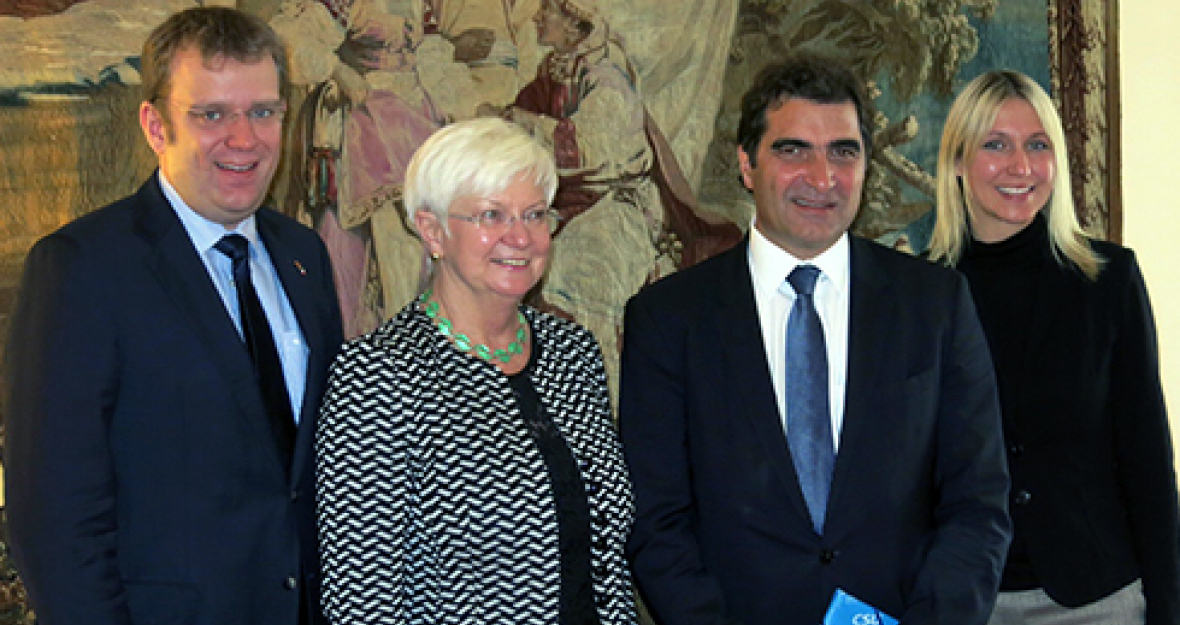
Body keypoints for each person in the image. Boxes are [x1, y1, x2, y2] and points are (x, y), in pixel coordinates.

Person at [619, 54, 1012, 625]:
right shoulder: (668, 319)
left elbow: (977, 505)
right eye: (792, 149)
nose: (822, 178)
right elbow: (657, 521)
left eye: (843, 152)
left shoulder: (936, 304)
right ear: (747, 164)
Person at [3, 7, 344, 624]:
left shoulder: (303, 256)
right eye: (211, 114)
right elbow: (54, 517)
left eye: (263, 111)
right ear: (155, 125)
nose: (244, 139)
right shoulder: (82, 268)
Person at [315, 117, 635, 625]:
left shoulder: (572, 353)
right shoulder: (378, 376)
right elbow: (362, 604)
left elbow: (606, 560)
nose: (520, 237)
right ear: (432, 230)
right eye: (491, 215)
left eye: (534, 215)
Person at [928, 69, 1179, 625]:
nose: (1020, 166)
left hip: (1097, 599)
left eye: (1037, 145)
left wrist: (1168, 607)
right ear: (956, 162)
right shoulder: (917, 296)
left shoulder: (1109, 279)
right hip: (966, 602)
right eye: (996, 144)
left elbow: (1148, 462)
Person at [488, 0, 740, 391]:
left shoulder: (605, 75)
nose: (537, 18)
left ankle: (602, 406)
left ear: (574, 24)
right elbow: (526, 108)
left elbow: (591, 149)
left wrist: (523, 124)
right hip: (572, 201)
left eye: (547, 12)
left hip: (617, 202)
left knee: (575, 270)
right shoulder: (558, 68)